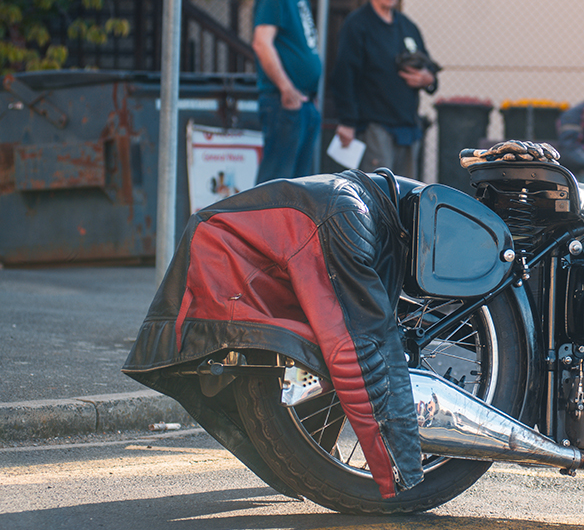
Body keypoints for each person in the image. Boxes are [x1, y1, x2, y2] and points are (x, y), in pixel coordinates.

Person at [122, 170, 425, 501]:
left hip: (227, 252)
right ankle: (362, 462)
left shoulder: (354, 207)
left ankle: (313, 450)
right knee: (353, 341)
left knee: (333, 335)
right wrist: (399, 469)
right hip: (241, 256)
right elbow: (360, 349)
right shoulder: (349, 215)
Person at [330, 0, 437, 179]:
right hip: (375, 129)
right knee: (379, 195)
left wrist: (428, 79)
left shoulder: (408, 26)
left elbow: (431, 70)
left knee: (408, 196)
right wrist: (347, 121)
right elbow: (344, 75)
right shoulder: (357, 24)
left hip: (409, 129)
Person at [251, 0, 335, 184]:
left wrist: (309, 98)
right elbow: (262, 43)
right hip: (284, 103)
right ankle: (262, 227)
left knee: (299, 189)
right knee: (276, 187)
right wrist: (287, 90)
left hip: (304, 104)